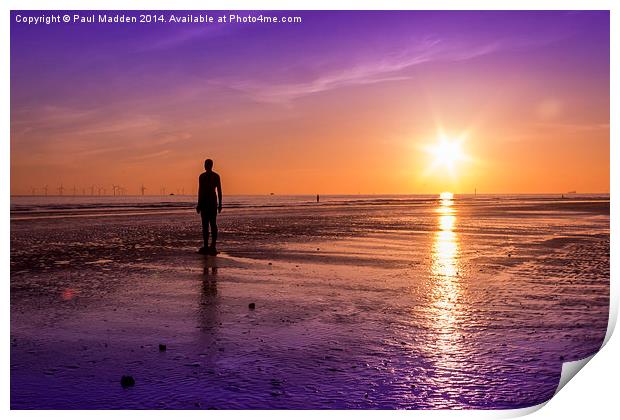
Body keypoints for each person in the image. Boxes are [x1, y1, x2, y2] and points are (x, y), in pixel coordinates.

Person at [196, 159, 222, 255]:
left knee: (211, 224)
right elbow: (200, 191)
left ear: (210, 165)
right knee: (206, 225)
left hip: (209, 202)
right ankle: (207, 246)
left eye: (206, 164)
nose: (205, 166)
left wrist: (220, 204)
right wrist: (199, 204)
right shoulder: (204, 176)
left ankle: (212, 245)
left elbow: (219, 190)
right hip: (207, 202)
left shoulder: (213, 176)